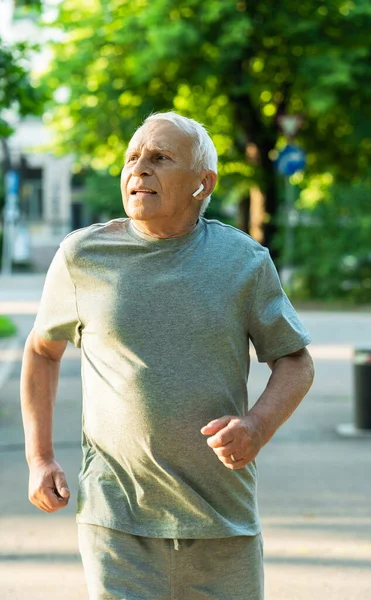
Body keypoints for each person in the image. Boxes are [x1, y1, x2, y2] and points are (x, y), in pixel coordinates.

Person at [21, 111, 314, 600]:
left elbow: (295, 361)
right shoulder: (83, 256)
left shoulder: (243, 261)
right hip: (116, 518)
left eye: (160, 158)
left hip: (222, 520)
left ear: (203, 183)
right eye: (132, 157)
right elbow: (41, 351)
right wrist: (40, 457)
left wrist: (257, 426)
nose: (139, 169)